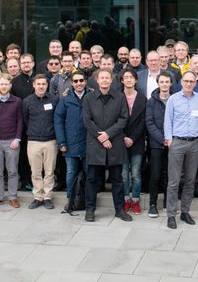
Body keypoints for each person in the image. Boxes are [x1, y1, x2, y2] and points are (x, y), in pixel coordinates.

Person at [82, 69, 132, 223]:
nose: (104, 80)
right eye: (102, 78)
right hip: (95, 145)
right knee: (92, 180)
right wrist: (102, 137)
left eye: (107, 78)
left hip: (115, 144)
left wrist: (108, 134)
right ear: (97, 80)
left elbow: (124, 118)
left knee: (117, 180)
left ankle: (120, 210)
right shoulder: (89, 98)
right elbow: (87, 121)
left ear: (112, 80)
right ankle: (90, 210)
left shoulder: (119, 97)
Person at [164, 71, 198, 229]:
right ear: (181, 82)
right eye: (186, 81)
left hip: (194, 143)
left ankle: (185, 211)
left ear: (195, 83)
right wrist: (169, 140)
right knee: (174, 182)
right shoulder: (173, 99)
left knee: (190, 180)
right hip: (177, 142)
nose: (189, 84)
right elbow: (167, 120)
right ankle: (171, 214)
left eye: (192, 81)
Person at [0, 74, 24, 208]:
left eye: (6, 84)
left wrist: (17, 139)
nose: (4, 86)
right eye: (1, 84)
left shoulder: (17, 101)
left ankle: (12, 196)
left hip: (12, 141)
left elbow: (20, 121)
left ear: (10, 86)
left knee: (12, 171)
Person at [24, 74, 59, 210]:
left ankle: (48, 197)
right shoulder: (27, 101)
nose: (41, 86)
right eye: (38, 84)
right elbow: (26, 120)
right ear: (34, 85)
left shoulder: (54, 100)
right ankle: (38, 197)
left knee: (49, 171)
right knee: (35, 171)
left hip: (50, 141)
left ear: (47, 85)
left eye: (43, 84)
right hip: (33, 141)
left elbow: (57, 119)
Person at [55, 71, 88, 213]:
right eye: (76, 81)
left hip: (88, 143)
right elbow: (58, 121)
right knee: (71, 173)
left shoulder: (91, 98)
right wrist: (62, 142)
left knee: (89, 173)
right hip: (70, 143)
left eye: (81, 80)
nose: (79, 83)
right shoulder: (65, 100)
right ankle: (71, 200)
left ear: (85, 81)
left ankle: (87, 200)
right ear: (72, 83)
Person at [145, 73, 173, 218]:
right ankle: (153, 204)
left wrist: (170, 138)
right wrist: (162, 139)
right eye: (161, 82)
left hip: (173, 144)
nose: (164, 84)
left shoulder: (175, 99)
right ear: (158, 83)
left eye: (167, 82)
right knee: (155, 175)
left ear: (170, 83)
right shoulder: (151, 101)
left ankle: (168, 204)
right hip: (156, 144)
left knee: (170, 175)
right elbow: (149, 123)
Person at [120, 69, 148, 215]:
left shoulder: (142, 98)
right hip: (121, 140)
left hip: (137, 141)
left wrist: (133, 138)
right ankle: (126, 200)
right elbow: (115, 119)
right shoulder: (117, 97)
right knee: (124, 174)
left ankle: (135, 200)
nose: (129, 80)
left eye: (131, 77)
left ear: (136, 80)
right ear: (122, 81)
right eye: (126, 77)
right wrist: (124, 136)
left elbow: (144, 121)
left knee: (136, 174)